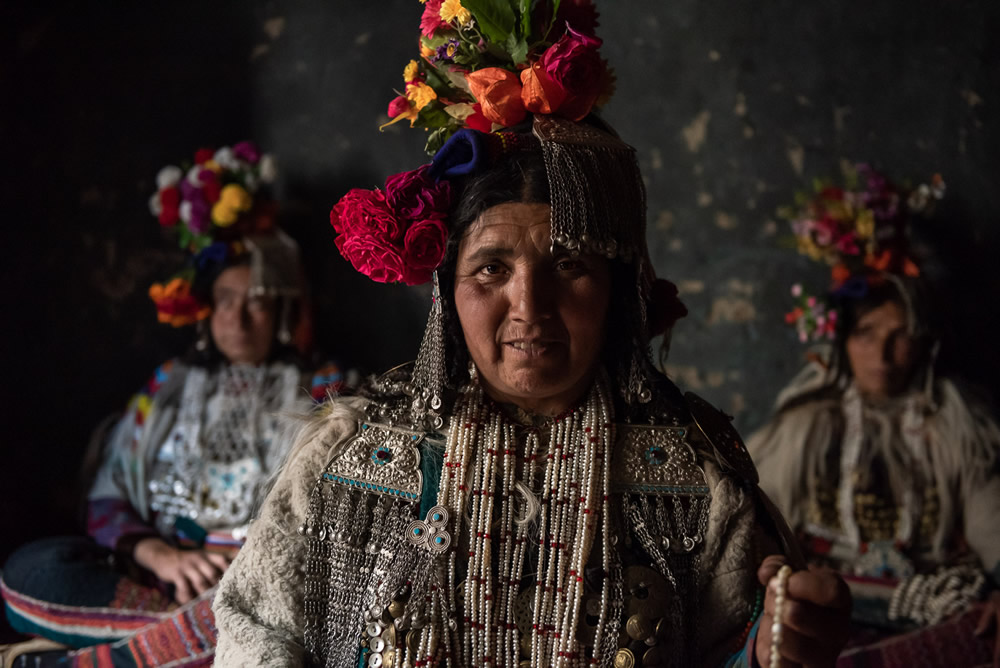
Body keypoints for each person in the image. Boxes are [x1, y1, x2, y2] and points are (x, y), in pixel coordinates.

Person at [213, 5, 851, 666]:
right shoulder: (347, 460)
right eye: (491, 269)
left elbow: (746, 644)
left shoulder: (699, 480)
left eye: (569, 265)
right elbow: (255, 631)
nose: (530, 307)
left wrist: (776, 646)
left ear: (617, 288)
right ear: (446, 292)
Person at [0, 143, 349, 667]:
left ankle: (82, 661)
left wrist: (241, 566)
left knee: (282, 616)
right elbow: (107, 497)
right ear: (207, 311)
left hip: (257, 580)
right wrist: (161, 556)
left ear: (281, 308)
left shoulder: (327, 391)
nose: (239, 317)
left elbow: (324, 525)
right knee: (29, 571)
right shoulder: (169, 386)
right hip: (158, 581)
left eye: (256, 300)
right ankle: (182, 645)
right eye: (225, 301)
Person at [748, 166, 1000, 665]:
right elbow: (755, 521)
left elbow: (991, 518)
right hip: (828, 600)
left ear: (923, 344)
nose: (883, 355)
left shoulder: (955, 426)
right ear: (842, 342)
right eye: (866, 335)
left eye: (899, 336)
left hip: (925, 604)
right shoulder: (807, 425)